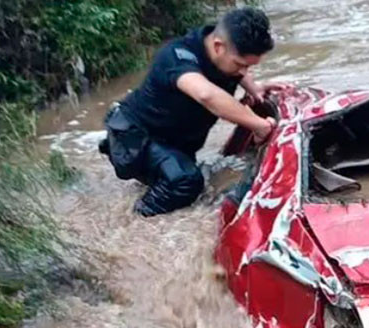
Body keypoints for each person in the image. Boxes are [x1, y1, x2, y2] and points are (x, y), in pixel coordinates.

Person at [99, 7, 280, 216]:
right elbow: (206, 94)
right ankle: (135, 219)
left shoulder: (220, 48)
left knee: (190, 180)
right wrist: (258, 124)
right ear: (218, 46)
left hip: (171, 142)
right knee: (185, 181)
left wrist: (254, 88)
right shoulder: (178, 57)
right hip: (134, 137)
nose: (243, 72)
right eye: (240, 65)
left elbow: (234, 70)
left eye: (248, 67)